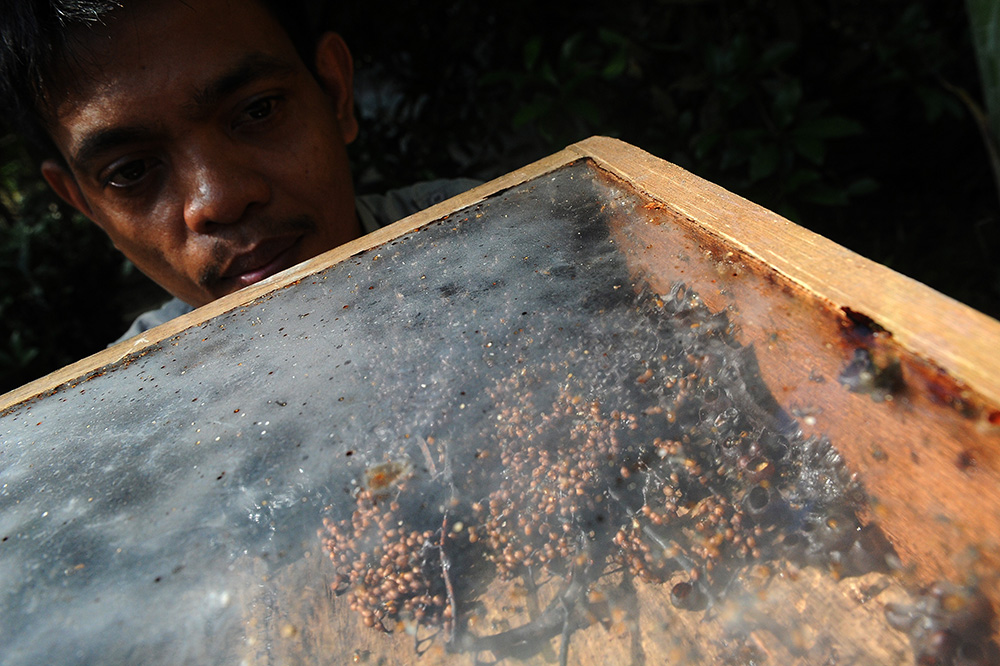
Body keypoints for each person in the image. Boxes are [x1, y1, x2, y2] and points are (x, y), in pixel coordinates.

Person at [0, 0, 477, 343]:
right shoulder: (132, 412)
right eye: (132, 171)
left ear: (334, 92)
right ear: (85, 206)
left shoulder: (498, 241)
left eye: (257, 111)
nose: (220, 199)